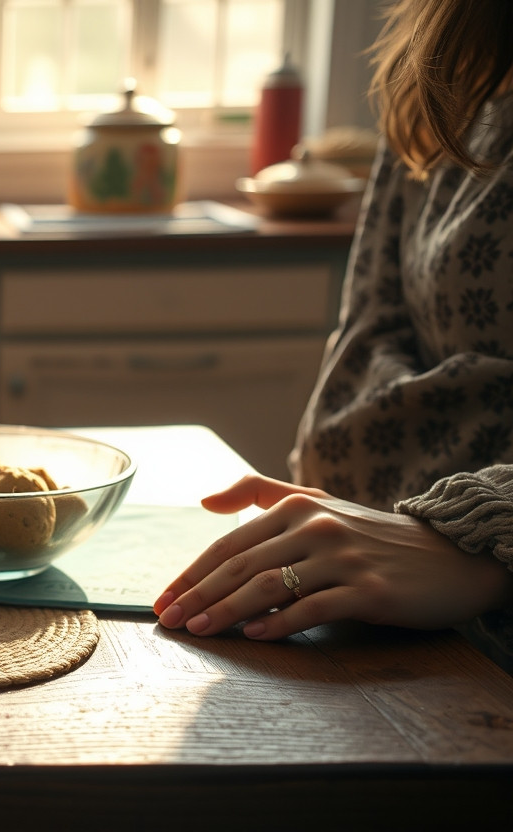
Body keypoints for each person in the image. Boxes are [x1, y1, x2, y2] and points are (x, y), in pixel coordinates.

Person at [153, 0, 513, 670]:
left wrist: (473, 538)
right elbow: (369, 340)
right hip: (379, 618)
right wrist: (361, 523)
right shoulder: (446, 75)